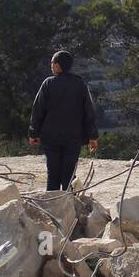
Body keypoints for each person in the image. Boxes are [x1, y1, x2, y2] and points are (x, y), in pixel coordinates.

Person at [29, 50, 98, 191]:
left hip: (51, 137)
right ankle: (69, 205)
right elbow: (88, 112)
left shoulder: (48, 84)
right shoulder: (80, 84)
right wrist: (92, 136)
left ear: (58, 66)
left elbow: (38, 111)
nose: (51, 65)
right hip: (73, 137)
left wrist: (33, 133)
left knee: (53, 175)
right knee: (69, 174)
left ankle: (53, 205)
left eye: (53, 62)